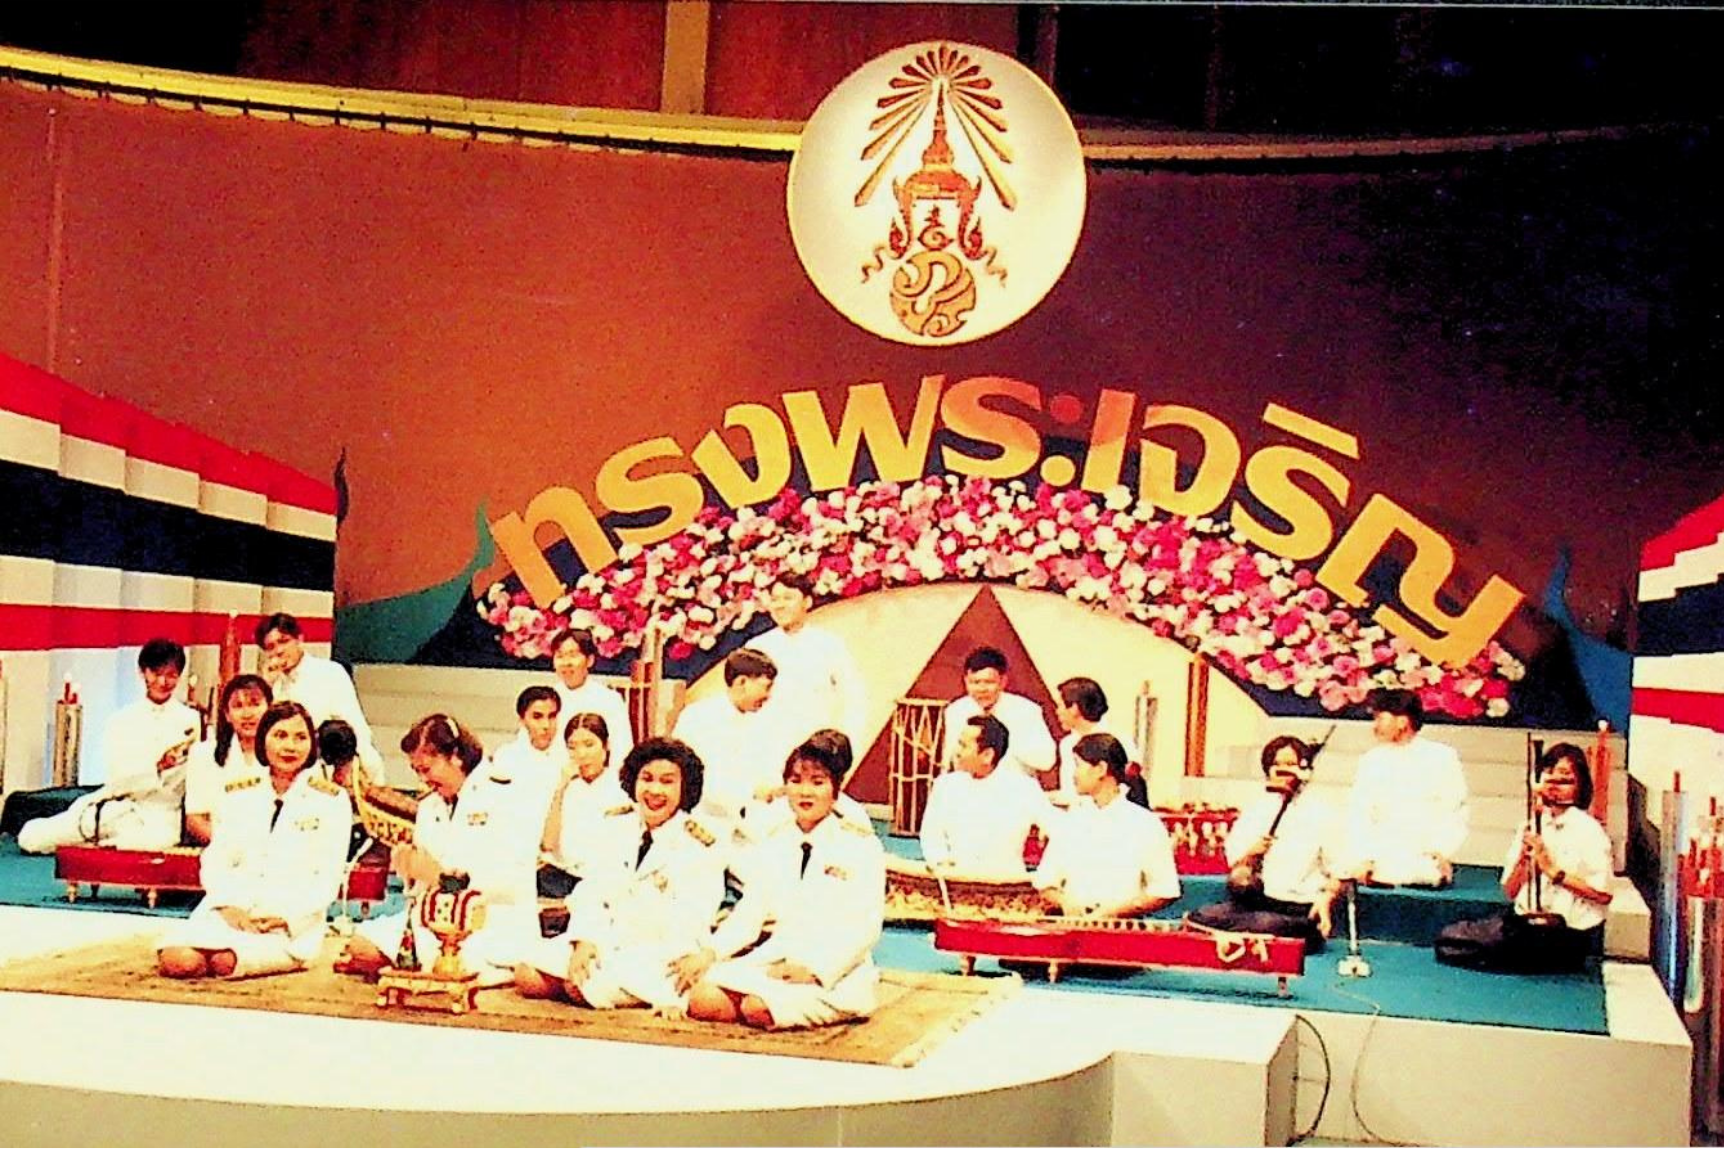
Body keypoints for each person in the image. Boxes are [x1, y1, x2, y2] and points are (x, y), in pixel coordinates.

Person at [679, 732, 886, 1029]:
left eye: (817, 782)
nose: (805, 792)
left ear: (835, 790)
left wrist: (816, 970)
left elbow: (866, 927)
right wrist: (709, 953)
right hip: (777, 962)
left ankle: (766, 1005)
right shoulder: (775, 841)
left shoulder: (860, 845)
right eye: (796, 781)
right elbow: (750, 914)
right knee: (702, 999)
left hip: (835, 972)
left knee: (757, 1007)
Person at [514, 738, 726, 1010]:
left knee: (584, 987)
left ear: (685, 788)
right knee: (527, 974)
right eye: (647, 778)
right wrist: (585, 939)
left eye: (667, 782)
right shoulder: (615, 825)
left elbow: (692, 919)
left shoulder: (700, 844)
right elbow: (591, 892)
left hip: (658, 953)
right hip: (606, 940)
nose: (654, 790)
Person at [157, 701, 351, 979]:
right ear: (263, 740)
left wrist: (285, 916)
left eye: (300, 737)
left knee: (224, 962)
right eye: (280, 735)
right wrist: (226, 905)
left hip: (287, 922)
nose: (290, 746)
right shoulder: (237, 793)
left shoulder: (331, 800)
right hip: (230, 910)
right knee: (180, 962)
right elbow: (216, 859)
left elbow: (328, 877)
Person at [339, 714, 541, 983]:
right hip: (434, 921)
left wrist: (442, 878)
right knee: (361, 946)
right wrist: (409, 868)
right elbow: (419, 888)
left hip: (491, 923)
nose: (423, 780)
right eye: (417, 771)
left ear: (455, 756)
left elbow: (511, 880)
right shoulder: (429, 806)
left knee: (444, 967)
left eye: (427, 769)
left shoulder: (507, 796)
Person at [1435, 743, 1613, 974]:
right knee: (1450, 938)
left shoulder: (1589, 831)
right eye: (1549, 776)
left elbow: (1603, 894)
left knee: (1466, 947)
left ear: (1580, 786)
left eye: (1565, 780)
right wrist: (1523, 860)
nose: (1554, 785)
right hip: (1526, 924)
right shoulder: (1531, 826)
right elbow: (1510, 891)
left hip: (1565, 933)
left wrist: (1552, 870)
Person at [19, 638, 200, 853]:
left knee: (147, 844)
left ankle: (98, 848)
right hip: (118, 807)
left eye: (171, 675)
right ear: (143, 672)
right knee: (33, 839)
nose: (163, 682)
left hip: (161, 816)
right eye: (156, 673)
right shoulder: (122, 720)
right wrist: (158, 767)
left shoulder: (191, 719)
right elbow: (117, 779)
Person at [1187, 736, 1343, 951]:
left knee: (1267, 924)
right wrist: (1252, 853)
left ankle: (1254, 935)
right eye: (1276, 764)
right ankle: (1247, 933)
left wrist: (1327, 898)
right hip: (1256, 903)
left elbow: (1342, 868)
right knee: (1201, 916)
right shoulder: (1257, 808)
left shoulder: (1321, 811)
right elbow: (1237, 868)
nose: (1282, 770)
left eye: (1290, 764)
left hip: (1297, 908)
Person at [1034, 734, 1180, 918]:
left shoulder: (1144, 824)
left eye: (1078, 765)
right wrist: (1065, 902)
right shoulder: (1071, 821)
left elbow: (1165, 889)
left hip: (1122, 928)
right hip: (1073, 924)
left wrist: (1117, 910)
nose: (1074, 774)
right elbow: (1045, 882)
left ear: (1101, 769)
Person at [1344, 688, 1469, 887]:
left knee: (1423, 874)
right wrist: (1366, 856)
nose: (1375, 726)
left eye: (1380, 719)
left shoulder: (1441, 757)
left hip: (1424, 856)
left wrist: (1442, 851)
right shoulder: (1372, 760)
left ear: (1402, 721)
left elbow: (1455, 809)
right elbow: (1359, 812)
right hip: (1380, 855)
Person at [672, 647, 799, 832]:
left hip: (749, 822)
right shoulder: (699, 717)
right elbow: (693, 778)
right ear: (742, 682)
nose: (768, 696)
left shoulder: (762, 721)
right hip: (704, 822)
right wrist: (751, 793)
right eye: (766, 687)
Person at [920, 715, 1058, 879]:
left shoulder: (1023, 788)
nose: (956, 752)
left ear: (987, 755)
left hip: (1008, 882)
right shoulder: (945, 785)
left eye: (963, 746)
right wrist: (941, 862)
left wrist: (1047, 872)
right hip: (954, 880)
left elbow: (1058, 830)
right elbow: (931, 833)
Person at [751, 571, 866, 746]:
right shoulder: (758, 647)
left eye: (788, 598)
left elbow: (853, 695)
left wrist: (847, 741)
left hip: (818, 747)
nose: (780, 605)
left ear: (807, 602)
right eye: (775, 599)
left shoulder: (829, 644)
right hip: (771, 744)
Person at [537, 713, 631, 918]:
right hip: (561, 878)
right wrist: (560, 789)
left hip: (606, 880)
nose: (581, 754)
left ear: (605, 745)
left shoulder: (623, 788)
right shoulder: (562, 786)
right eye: (572, 747)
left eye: (589, 745)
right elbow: (548, 844)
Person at [256, 612, 378, 764]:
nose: (278, 651)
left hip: (329, 760)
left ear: (299, 639)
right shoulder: (272, 684)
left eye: (284, 641)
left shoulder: (330, 672)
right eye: (270, 647)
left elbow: (355, 726)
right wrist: (266, 688)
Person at [940, 648, 1056, 783]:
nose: (982, 689)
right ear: (965, 681)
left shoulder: (1026, 711)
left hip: (1015, 788)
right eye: (975, 682)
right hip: (971, 789)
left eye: (989, 682)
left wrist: (1006, 734)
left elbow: (1047, 761)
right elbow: (950, 761)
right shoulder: (956, 711)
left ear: (1003, 681)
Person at [183, 674, 273, 845]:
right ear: (227, 714)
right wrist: (229, 847)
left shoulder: (282, 755)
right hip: (222, 849)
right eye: (238, 706)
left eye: (255, 704)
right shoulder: (203, 754)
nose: (247, 714)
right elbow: (195, 820)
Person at [548, 628, 633, 777]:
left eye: (573, 655)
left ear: (590, 660)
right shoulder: (546, 698)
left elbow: (622, 752)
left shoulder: (609, 700)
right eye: (560, 656)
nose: (566, 663)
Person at [1053, 677, 1141, 804]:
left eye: (1060, 706)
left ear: (1074, 708)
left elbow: (1131, 788)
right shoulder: (1067, 744)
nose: (1057, 712)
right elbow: (1068, 792)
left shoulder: (1119, 739)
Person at [491, 685, 567, 810]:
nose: (546, 725)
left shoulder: (569, 757)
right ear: (522, 720)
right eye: (537, 717)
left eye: (552, 716)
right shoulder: (506, 757)